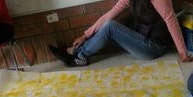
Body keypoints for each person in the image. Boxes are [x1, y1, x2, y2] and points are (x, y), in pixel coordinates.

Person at [49, 0, 193, 67]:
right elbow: (108, 16)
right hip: (141, 38)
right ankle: (76, 51)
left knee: (111, 27)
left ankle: (80, 57)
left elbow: (171, 20)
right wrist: (85, 35)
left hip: (153, 47)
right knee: (110, 24)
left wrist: (183, 53)